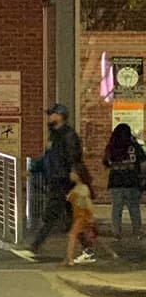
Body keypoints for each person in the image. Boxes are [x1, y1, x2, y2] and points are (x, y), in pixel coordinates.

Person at [29, 104, 84, 254]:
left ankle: (35, 246)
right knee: (72, 216)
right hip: (56, 178)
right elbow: (49, 157)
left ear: (60, 116)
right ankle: (87, 248)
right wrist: (33, 169)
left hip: (63, 180)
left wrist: (73, 171)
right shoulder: (54, 135)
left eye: (51, 114)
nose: (49, 117)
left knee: (52, 214)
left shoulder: (68, 135)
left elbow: (74, 155)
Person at [102, 123, 144, 240]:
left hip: (116, 182)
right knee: (134, 208)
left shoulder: (111, 146)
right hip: (132, 181)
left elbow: (105, 164)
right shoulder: (135, 146)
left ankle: (116, 232)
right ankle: (137, 231)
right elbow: (143, 163)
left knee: (116, 209)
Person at [63, 162, 98, 266]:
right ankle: (87, 253)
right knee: (81, 236)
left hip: (82, 216)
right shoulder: (76, 187)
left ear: (78, 174)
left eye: (73, 172)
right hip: (77, 215)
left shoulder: (83, 188)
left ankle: (69, 259)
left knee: (72, 235)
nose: (70, 174)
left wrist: (92, 216)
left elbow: (87, 203)